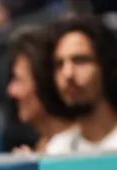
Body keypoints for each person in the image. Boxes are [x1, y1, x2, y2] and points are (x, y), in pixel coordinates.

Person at [47, 15, 117, 155]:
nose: (68, 74)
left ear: (107, 67)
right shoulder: (58, 149)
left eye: (80, 61)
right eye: (59, 64)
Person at [6, 26, 73, 154]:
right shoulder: (45, 150)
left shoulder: (77, 151)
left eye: (18, 79)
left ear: (45, 82)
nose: (11, 91)